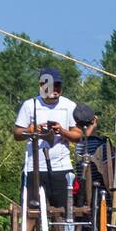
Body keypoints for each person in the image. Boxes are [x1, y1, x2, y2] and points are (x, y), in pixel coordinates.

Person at [14, 67, 82, 209]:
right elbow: (17, 134)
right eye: (50, 85)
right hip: (34, 167)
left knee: (62, 213)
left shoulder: (69, 106)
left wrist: (62, 131)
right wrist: (33, 129)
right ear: (42, 86)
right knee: (31, 212)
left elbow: (77, 136)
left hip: (62, 167)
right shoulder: (30, 105)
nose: (54, 89)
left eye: (57, 85)